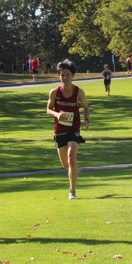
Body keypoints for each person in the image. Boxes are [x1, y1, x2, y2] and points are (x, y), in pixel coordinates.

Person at [47, 59, 89, 200]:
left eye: (68, 75)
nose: (65, 78)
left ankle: (72, 191)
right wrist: (57, 114)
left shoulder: (79, 92)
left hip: (74, 130)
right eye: (62, 75)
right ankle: (74, 170)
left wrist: (86, 121)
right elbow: (48, 109)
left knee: (71, 159)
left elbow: (86, 109)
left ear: (73, 76)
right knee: (66, 164)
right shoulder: (54, 92)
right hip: (60, 131)